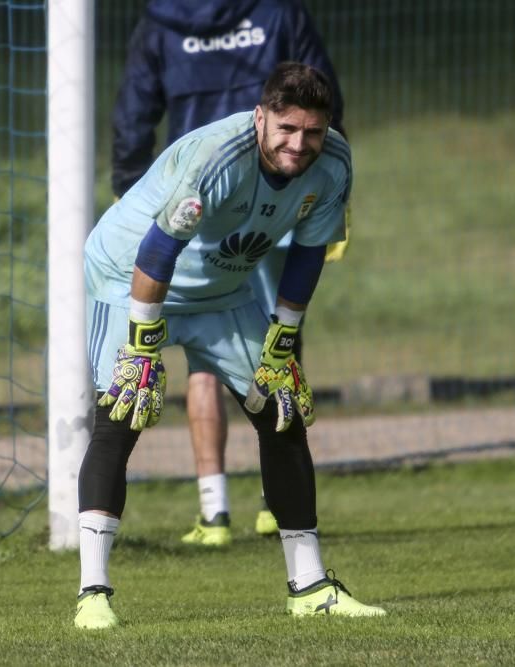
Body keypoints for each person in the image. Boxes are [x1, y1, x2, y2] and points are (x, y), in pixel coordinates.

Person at [75, 62, 384, 629]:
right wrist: (143, 345)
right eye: (287, 129)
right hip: (130, 280)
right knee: (120, 415)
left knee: (282, 414)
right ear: (261, 117)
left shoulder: (334, 162)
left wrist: (282, 342)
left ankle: (310, 587)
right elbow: (158, 250)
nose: (299, 144)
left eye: (312, 131)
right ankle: (92, 593)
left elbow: (308, 253)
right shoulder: (219, 156)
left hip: (223, 292)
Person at [111, 0, 349, 547]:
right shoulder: (277, 12)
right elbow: (322, 90)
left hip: (199, 199)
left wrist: (130, 180)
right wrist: (327, 178)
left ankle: (214, 511)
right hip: (284, 189)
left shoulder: (162, 19)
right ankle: (274, 503)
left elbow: (135, 107)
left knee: (203, 350)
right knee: (276, 340)